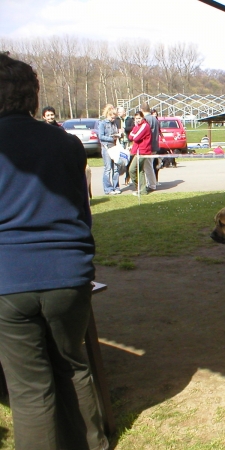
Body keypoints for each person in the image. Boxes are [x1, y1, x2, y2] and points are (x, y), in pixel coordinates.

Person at [0, 53, 108, 450]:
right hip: (70, 273)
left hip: (8, 280)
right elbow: (82, 210)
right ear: (32, 96)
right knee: (73, 365)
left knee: (29, 387)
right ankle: (94, 443)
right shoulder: (67, 144)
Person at [98, 103, 121, 195]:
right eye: (112, 117)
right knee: (108, 168)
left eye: (114, 118)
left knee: (116, 168)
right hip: (106, 147)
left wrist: (118, 136)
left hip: (114, 147)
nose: (113, 119)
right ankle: (108, 188)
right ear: (108, 115)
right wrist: (111, 138)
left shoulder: (114, 123)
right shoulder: (102, 123)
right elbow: (101, 136)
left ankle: (116, 187)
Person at [128, 111, 152, 196]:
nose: (137, 120)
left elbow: (136, 138)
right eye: (136, 118)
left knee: (132, 169)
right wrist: (135, 129)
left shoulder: (145, 126)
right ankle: (143, 190)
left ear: (142, 118)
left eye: (139, 118)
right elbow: (130, 137)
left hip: (143, 151)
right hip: (137, 151)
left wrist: (134, 134)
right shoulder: (137, 126)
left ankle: (138, 187)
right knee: (140, 170)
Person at [140, 103, 159, 191]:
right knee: (150, 165)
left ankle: (152, 185)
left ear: (142, 110)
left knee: (148, 166)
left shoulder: (146, 119)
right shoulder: (155, 119)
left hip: (148, 146)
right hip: (155, 145)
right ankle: (152, 183)